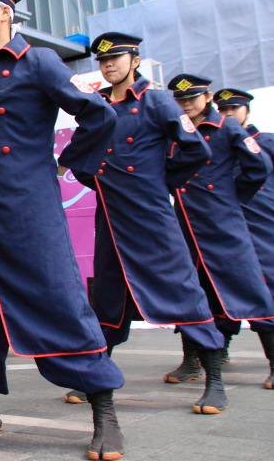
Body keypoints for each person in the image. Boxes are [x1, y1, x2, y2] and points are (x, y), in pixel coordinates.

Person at [0, 0, 125, 461]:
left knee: (61, 304)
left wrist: (70, 165)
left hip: (29, 213)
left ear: (3, 10)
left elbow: (99, 115)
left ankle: (103, 411)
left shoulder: (38, 61)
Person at [59, 33, 225, 414]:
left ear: (134, 60)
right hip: (111, 218)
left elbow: (195, 149)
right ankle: (97, 377)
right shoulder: (97, 106)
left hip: (150, 218)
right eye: (102, 61)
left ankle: (214, 379)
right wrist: (96, 180)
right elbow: (78, 155)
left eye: (115, 58)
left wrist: (160, 181)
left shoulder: (157, 101)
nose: (108, 65)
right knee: (108, 302)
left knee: (181, 291)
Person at [165, 75, 273, 411]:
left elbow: (258, 166)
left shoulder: (225, 127)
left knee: (252, 293)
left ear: (206, 97)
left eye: (193, 98)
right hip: (188, 229)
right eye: (181, 100)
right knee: (196, 300)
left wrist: (231, 198)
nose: (187, 105)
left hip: (225, 228)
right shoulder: (175, 131)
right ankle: (203, 371)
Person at [212, 88, 274, 389]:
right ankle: (219, 348)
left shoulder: (265, 142)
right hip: (227, 225)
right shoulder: (215, 143)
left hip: (264, 223)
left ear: (246, 110)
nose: (227, 115)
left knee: (265, 285)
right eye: (222, 110)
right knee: (222, 286)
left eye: (232, 109)